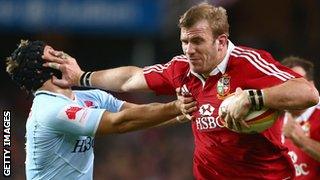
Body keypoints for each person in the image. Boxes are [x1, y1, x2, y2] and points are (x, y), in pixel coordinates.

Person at [43, 2, 319, 179]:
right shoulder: (181, 69)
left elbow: (307, 93)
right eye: (185, 41)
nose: (189, 50)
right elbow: (131, 78)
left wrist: (254, 96)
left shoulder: (248, 63)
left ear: (221, 41)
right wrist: (83, 76)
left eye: (197, 41)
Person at [5, 40, 196, 180]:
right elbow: (119, 122)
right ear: (42, 69)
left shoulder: (89, 97)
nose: (61, 53)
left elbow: (142, 114)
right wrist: (177, 107)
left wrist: (191, 111)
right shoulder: (48, 110)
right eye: (52, 52)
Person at [280, 56, 320, 179]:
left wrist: (301, 140)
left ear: (311, 86)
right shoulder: (273, 119)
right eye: (286, 84)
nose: (291, 91)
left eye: (298, 83)